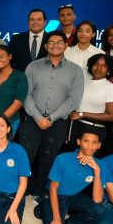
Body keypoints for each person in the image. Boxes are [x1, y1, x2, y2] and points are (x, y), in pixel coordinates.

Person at [20, 32, 83, 196]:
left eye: (59, 42)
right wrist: (38, 117)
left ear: (66, 45)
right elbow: (26, 94)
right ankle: (22, 191)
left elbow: (74, 100)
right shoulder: (33, 66)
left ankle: (38, 193)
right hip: (32, 119)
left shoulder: (75, 70)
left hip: (57, 123)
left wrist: (50, 118)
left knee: (48, 159)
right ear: (45, 46)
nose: (55, 45)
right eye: (51, 42)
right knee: (26, 157)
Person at [41, 129, 113, 224]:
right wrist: (57, 219)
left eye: (94, 142)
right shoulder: (63, 159)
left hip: (73, 196)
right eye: (86, 141)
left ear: (99, 145)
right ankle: (43, 207)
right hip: (54, 195)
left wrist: (96, 170)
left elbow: (97, 199)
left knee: (100, 210)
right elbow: (53, 189)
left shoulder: (101, 165)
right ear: (78, 142)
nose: (90, 146)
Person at [70, 53, 113, 145]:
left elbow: (112, 116)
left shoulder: (111, 88)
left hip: (94, 129)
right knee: (72, 152)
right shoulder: (84, 83)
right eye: (96, 64)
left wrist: (82, 114)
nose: (99, 68)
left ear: (109, 70)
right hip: (75, 126)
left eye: (104, 66)